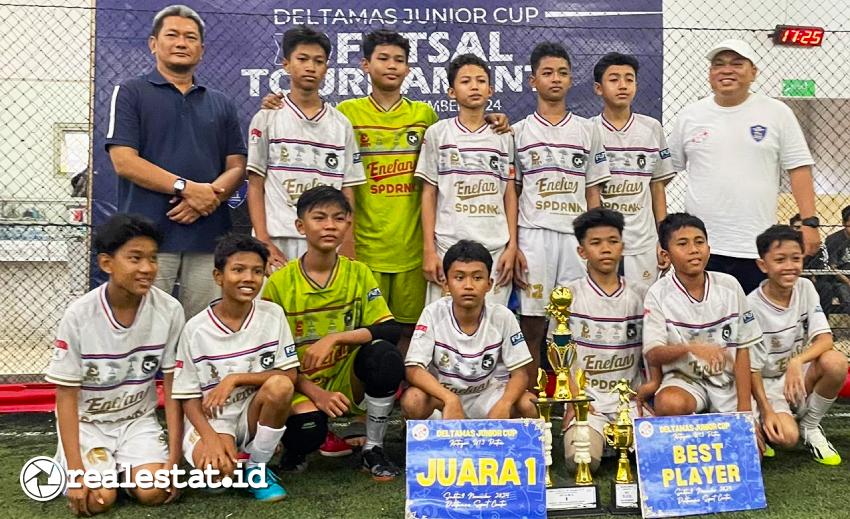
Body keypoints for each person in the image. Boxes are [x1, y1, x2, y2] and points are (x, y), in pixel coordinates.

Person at [106, 5, 247, 318]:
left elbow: (237, 165)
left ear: (202, 49)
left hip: (209, 238)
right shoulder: (130, 92)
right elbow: (124, 161)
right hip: (148, 240)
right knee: (143, 324)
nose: (181, 42)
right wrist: (186, 188)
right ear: (154, 44)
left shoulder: (221, 102)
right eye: (172, 35)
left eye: (190, 37)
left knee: (203, 328)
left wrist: (208, 196)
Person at [262, 186, 406, 481]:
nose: (330, 226)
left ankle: (373, 447)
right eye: (320, 218)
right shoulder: (279, 284)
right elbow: (269, 359)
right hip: (299, 384)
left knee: (385, 355)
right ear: (301, 226)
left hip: (344, 380)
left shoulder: (358, 273)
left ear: (348, 226)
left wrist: (335, 338)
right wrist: (317, 393)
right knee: (308, 431)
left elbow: (390, 329)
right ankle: (295, 448)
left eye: (338, 219)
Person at [46, 214, 184, 515]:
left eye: (152, 258)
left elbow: (174, 389)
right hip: (90, 424)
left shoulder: (170, 310)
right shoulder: (79, 315)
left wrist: (174, 460)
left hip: (137, 422)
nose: (147, 268)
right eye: (135, 258)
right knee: (96, 502)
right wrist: (76, 473)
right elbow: (65, 398)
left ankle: (127, 471)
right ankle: (104, 472)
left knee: (156, 491)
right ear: (107, 263)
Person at [668, 39, 820, 294]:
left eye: (737, 64)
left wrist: (810, 223)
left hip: (756, 249)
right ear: (710, 74)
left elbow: (799, 168)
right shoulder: (690, 115)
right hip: (701, 250)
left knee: (753, 327)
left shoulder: (777, 113)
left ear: (753, 72)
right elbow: (664, 173)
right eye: (719, 65)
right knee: (705, 327)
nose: (726, 70)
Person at [172, 234, 299, 501]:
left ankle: (257, 467)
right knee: (217, 477)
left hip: (252, 414)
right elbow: (187, 397)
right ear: (218, 276)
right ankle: (231, 459)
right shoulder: (195, 329)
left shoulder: (272, 314)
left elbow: (289, 375)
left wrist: (235, 378)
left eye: (256, 271)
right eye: (238, 270)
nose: (248, 278)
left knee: (281, 385)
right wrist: (210, 438)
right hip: (212, 420)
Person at [512, 42, 610, 383]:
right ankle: (531, 392)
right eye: (548, 73)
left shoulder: (588, 130)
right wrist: (515, 243)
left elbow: (593, 190)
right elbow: (514, 191)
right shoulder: (518, 132)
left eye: (563, 73)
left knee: (572, 317)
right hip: (533, 236)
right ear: (533, 81)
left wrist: (595, 240)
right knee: (532, 320)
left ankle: (571, 392)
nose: (556, 79)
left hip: (573, 238)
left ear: (571, 81)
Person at [246, 26, 363, 271]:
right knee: (275, 308)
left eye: (318, 61)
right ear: (286, 65)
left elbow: (348, 188)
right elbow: (255, 184)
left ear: (326, 69)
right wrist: (264, 239)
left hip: (327, 239)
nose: (311, 67)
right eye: (302, 59)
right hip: (278, 238)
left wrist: (349, 239)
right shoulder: (267, 117)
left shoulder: (340, 124)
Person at [415, 54, 517, 307]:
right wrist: (429, 249)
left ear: (490, 89)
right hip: (448, 244)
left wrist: (512, 245)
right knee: (445, 323)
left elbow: (509, 192)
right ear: (451, 92)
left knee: (492, 324)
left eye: (481, 81)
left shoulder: (503, 135)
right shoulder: (438, 133)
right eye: (466, 81)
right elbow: (429, 192)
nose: (474, 86)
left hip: (495, 245)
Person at [561, 208, 659, 473]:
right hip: (589, 402)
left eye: (612, 242)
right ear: (582, 251)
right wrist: (575, 400)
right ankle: (601, 440)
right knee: (580, 462)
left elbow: (653, 351)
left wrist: (650, 390)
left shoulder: (642, 295)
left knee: (657, 461)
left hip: (630, 400)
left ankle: (621, 441)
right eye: (596, 243)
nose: (606, 249)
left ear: (622, 247)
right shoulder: (567, 296)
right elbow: (559, 360)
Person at [402, 239, 537, 420]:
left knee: (528, 404)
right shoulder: (432, 313)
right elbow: (413, 369)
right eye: (459, 277)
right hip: (442, 397)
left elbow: (521, 374)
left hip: (486, 396)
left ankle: (506, 445)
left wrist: (504, 404)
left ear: (489, 284)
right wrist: (450, 399)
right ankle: (421, 440)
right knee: (413, 400)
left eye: (477, 277)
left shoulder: (503, 316)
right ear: (446, 284)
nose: (468, 286)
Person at [644, 213, 762, 416]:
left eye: (699, 242)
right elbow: (653, 354)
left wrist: (745, 413)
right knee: (669, 403)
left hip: (727, 383)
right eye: (683, 244)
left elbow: (743, 350)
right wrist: (690, 348)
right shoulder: (658, 293)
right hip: (685, 382)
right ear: (666, 255)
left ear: (709, 248)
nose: (694, 250)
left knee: (767, 442)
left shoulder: (730, 285)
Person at [749, 225, 847, 464]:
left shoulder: (805, 287)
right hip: (765, 382)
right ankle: (766, 421)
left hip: (794, 374)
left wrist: (797, 360)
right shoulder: (750, 305)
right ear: (763, 265)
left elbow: (825, 339)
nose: (790, 266)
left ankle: (810, 427)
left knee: (836, 362)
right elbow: (748, 368)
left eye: (796, 258)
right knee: (786, 437)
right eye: (780, 259)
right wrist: (766, 408)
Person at [592, 52, 675, 287]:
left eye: (629, 79)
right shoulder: (588, 131)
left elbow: (657, 187)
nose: (623, 85)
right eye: (614, 79)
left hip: (644, 242)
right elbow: (591, 192)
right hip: (606, 244)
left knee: (644, 310)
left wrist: (663, 238)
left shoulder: (651, 128)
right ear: (599, 88)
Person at [824, 205, 850, 313]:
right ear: (844, 223)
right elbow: (833, 267)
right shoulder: (834, 240)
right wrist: (848, 281)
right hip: (840, 279)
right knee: (844, 292)